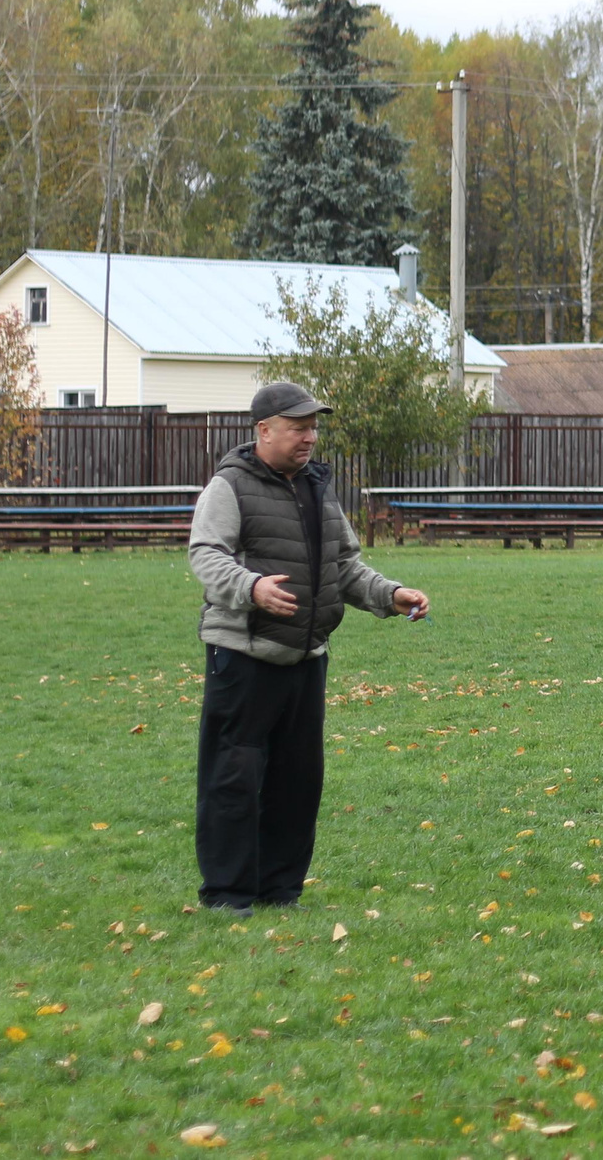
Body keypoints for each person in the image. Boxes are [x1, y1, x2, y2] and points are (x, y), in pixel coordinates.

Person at [187, 380, 430, 917]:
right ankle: (227, 894)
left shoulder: (318, 487)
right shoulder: (228, 486)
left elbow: (343, 567)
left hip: (306, 657)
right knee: (234, 776)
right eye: (298, 428)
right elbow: (205, 555)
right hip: (244, 654)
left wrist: (389, 595)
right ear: (264, 431)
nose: (309, 438)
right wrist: (251, 588)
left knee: (297, 780)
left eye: (313, 428)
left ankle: (280, 889)